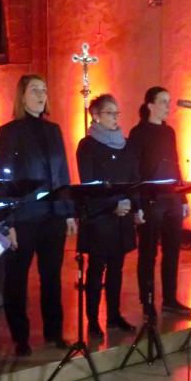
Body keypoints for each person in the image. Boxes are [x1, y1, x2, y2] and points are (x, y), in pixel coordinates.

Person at [0, 74, 77, 356]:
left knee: (52, 276)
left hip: (53, 215)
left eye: (44, 90)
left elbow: (62, 172)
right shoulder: (9, 132)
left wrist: (68, 212)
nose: (41, 95)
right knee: (17, 278)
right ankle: (21, 337)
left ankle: (54, 332)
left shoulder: (53, 130)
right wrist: (9, 221)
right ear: (22, 96)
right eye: (34, 90)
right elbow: (5, 180)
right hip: (24, 216)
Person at [76, 94, 139, 337]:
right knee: (96, 269)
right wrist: (113, 204)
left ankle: (114, 315)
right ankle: (93, 320)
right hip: (100, 216)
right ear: (96, 116)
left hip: (122, 216)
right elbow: (89, 183)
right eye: (110, 113)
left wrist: (134, 204)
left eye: (117, 113)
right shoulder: (88, 145)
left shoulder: (127, 144)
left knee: (117, 269)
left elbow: (134, 177)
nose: (115, 117)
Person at [127, 86, 191, 318]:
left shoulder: (169, 132)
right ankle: (147, 302)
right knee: (148, 253)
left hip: (172, 198)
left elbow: (175, 164)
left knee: (172, 250)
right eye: (163, 101)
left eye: (169, 101)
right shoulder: (138, 133)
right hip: (150, 200)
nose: (168, 106)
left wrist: (183, 197)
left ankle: (170, 299)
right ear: (150, 105)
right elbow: (133, 170)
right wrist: (136, 204)